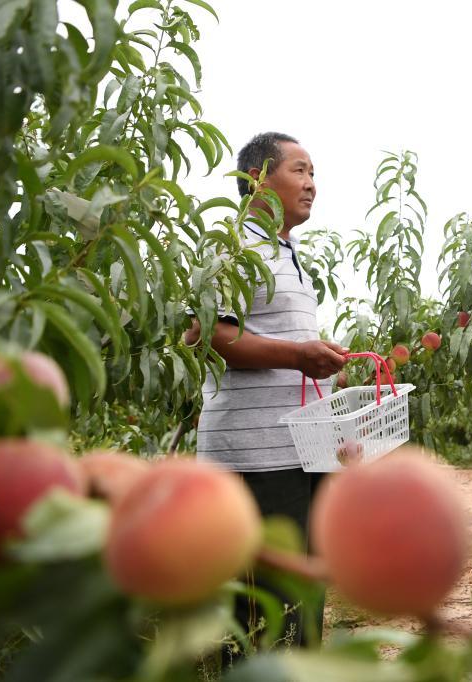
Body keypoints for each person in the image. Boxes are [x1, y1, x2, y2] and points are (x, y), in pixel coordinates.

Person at [184, 132, 347, 650]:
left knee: (301, 599)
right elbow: (206, 333)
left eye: (314, 173)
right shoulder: (233, 244)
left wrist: (326, 367)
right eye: (299, 170)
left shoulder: (286, 252)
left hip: (299, 452)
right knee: (262, 611)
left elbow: (280, 343)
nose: (311, 183)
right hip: (254, 460)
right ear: (257, 179)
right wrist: (299, 357)